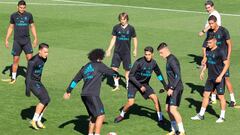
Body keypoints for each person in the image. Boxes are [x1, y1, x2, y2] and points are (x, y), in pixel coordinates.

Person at [63, 49, 119, 135]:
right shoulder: (99, 65)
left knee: (93, 116)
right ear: (100, 57)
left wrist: (68, 91)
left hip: (84, 95)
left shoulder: (85, 67)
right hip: (93, 95)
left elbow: (75, 80)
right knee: (101, 115)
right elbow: (110, 72)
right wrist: (116, 74)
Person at [114, 46, 167, 124]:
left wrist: (164, 85)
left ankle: (160, 119)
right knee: (131, 102)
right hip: (133, 83)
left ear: (152, 54)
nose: (147, 56)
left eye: (149, 54)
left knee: (155, 98)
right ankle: (122, 115)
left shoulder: (154, 63)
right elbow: (130, 76)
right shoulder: (138, 62)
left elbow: (158, 74)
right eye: (146, 54)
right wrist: (140, 86)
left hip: (145, 84)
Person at [191, 35, 229, 123]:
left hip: (219, 78)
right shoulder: (207, 51)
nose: (208, 44)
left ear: (215, 42)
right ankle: (201, 115)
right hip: (210, 78)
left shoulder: (220, 51)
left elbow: (226, 64)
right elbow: (208, 62)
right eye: (207, 43)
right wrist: (203, 71)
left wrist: (220, 76)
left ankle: (222, 117)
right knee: (205, 95)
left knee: (221, 97)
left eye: (210, 43)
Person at [202, 15, 236, 107]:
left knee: (226, 78)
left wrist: (228, 57)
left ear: (216, 22)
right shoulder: (209, 32)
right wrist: (205, 57)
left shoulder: (224, 31)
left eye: (211, 23)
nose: (210, 25)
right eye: (209, 23)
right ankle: (213, 99)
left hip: (223, 59)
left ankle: (232, 99)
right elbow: (206, 45)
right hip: (214, 59)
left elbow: (229, 44)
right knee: (213, 77)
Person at [4, 0, 38, 84]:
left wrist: (35, 38)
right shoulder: (13, 16)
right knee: (15, 60)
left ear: (25, 7)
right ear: (17, 7)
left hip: (27, 41)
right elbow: (11, 27)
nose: (22, 9)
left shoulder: (29, 15)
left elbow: (32, 26)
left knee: (30, 60)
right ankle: (13, 78)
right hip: (17, 42)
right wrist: (6, 39)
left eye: (23, 8)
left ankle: (32, 78)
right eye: (20, 7)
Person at [157, 42, 185, 135]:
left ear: (165, 50)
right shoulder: (168, 60)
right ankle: (174, 129)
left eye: (161, 52)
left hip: (177, 88)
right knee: (167, 109)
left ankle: (182, 131)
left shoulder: (172, 60)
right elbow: (172, 76)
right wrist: (167, 86)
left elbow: (178, 75)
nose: (160, 55)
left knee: (173, 109)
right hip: (172, 88)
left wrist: (172, 88)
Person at [106, 12, 138, 91]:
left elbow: (135, 38)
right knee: (114, 69)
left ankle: (127, 85)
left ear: (127, 19)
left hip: (126, 53)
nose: (122, 21)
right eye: (121, 19)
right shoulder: (116, 27)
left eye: (124, 19)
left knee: (127, 70)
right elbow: (113, 39)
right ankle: (116, 85)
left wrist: (135, 49)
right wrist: (109, 49)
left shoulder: (131, 28)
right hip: (117, 52)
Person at [25, 43, 50, 130]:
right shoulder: (32, 61)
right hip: (31, 82)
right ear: (40, 51)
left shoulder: (44, 58)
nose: (47, 54)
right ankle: (33, 120)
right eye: (45, 52)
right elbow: (27, 75)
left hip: (38, 82)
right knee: (44, 99)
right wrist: (27, 89)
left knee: (47, 100)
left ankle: (38, 120)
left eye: (47, 52)